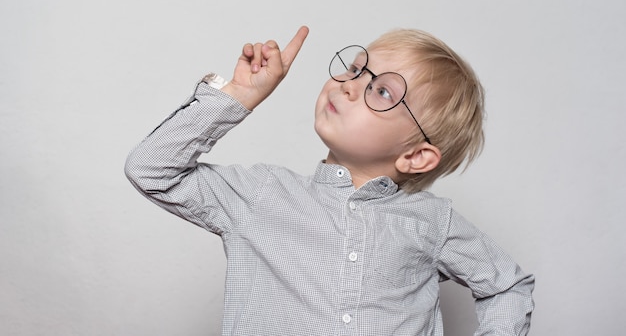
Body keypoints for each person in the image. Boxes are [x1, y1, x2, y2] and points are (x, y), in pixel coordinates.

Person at [125, 25, 534, 335]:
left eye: (384, 92)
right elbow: (151, 170)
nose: (351, 86)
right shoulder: (263, 196)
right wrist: (237, 97)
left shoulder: (432, 221)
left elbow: (507, 286)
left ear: (416, 156)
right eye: (356, 70)